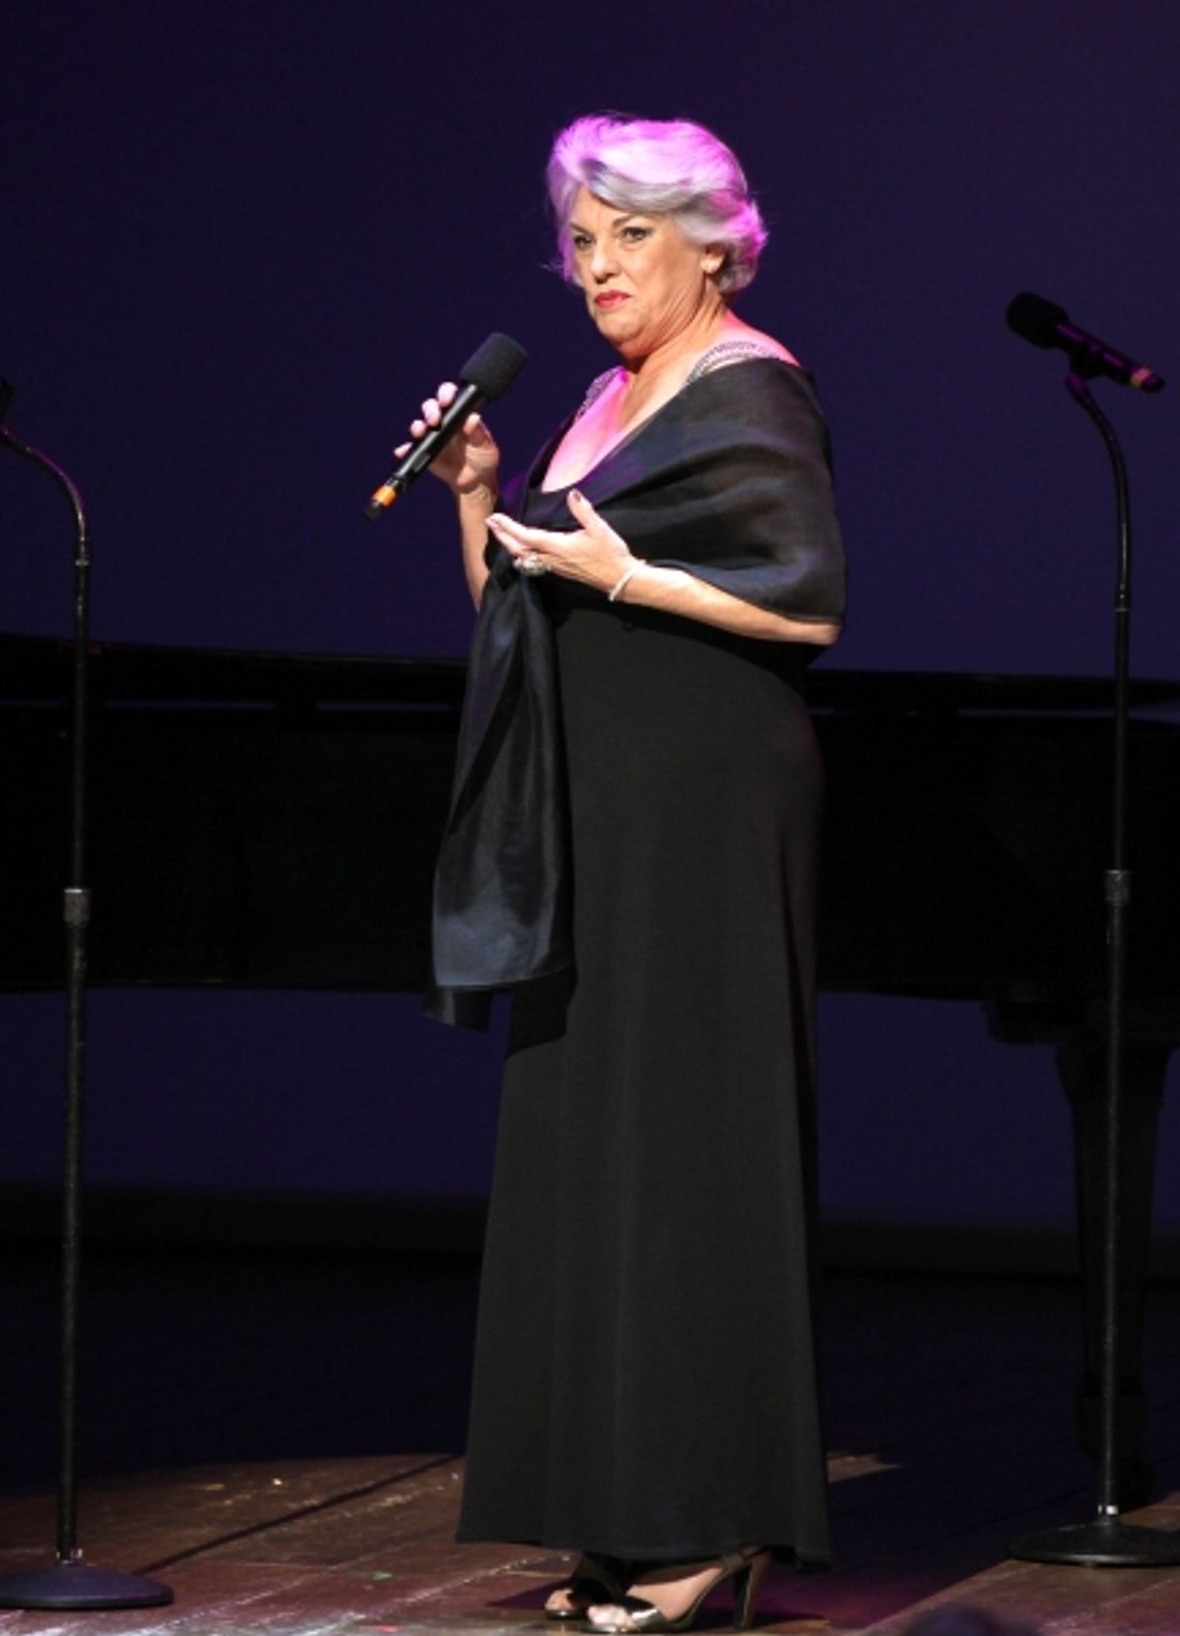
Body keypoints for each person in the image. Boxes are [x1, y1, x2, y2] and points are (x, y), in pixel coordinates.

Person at [401, 113, 845, 1633]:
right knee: (598, 1157)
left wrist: (633, 573)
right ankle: (613, 1505)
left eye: (629, 236)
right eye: (581, 239)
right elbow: (518, 613)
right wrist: (478, 493)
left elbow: (810, 608)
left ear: (713, 242)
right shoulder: (600, 396)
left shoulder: (751, 385)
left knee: (695, 1155)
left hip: (708, 808)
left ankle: (710, 1523)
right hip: (593, 806)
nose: (596, 265)